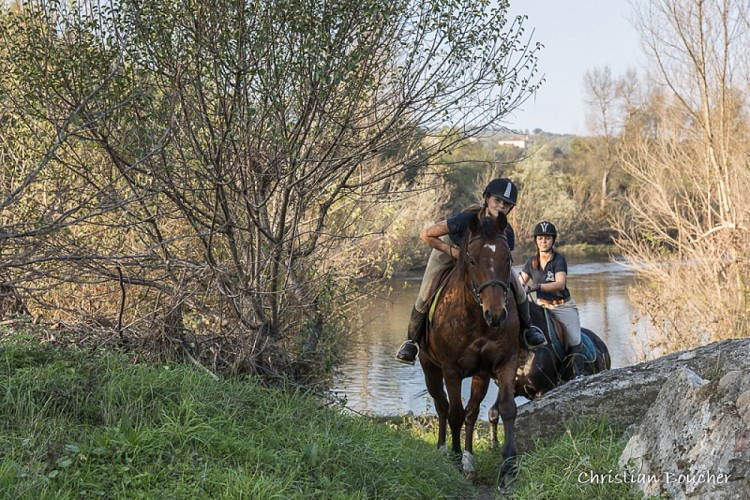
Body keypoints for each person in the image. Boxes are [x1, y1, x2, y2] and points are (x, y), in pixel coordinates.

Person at [394, 178, 546, 365]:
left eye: (506, 204)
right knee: (426, 292)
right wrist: (454, 252)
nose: (501, 206)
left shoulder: (506, 230)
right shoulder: (465, 219)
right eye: (497, 200)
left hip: (482, 262)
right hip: (448, 253)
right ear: (487, 198)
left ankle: (527, 331)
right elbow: (426, 235)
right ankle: (412, 342)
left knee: (520, 291)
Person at [519, 221, 586, 379]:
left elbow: (560, 284)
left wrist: (538, 287)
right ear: (536, 240)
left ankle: (579, 375)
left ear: (553, 240)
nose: (543, 241)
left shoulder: (558, 260)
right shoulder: (531, 262)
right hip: (542, 307)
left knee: (574, 338)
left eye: (547, 238)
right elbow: (521, 281)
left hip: (562, 307)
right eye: (541, 238)